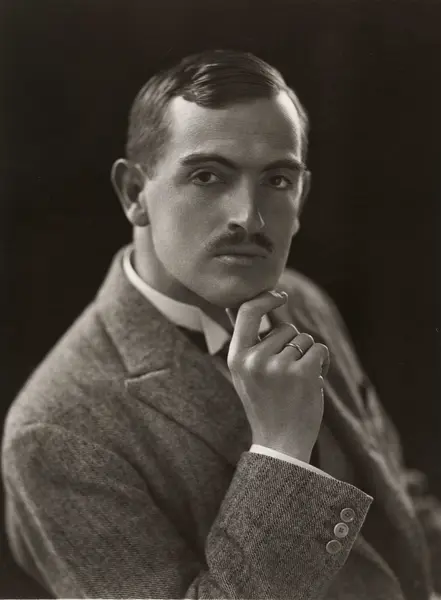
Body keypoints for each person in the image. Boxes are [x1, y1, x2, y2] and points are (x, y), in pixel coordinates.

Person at [1, 49, 440, 600]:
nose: (248, 218)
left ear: (302, 195)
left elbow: (398, 503)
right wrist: (281, 451)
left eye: (277, 179)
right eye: (207, 176)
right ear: (134, 194)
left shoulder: (302, 300)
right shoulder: (57, 432)